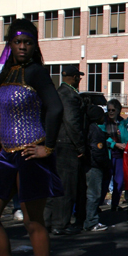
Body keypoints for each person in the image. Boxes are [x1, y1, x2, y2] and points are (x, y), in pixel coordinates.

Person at [0, 18, 64, 256]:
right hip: (5, 155)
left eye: (28, 42)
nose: (23, 46)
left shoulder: (37, 73)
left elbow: (55, 109)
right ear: (10, 44)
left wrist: (47, 148)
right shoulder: (4, 75)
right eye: (18, 42)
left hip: (31, 153)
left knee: (32, 222)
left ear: (34, 44)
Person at [45, 65, 87, 235]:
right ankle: (60, 224)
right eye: (79, 77)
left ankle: (46, 221)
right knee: (66, 187)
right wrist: (80, 145)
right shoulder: (69, 95)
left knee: (54, 186)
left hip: (56, 143)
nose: (80, 80)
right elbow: (72, 122)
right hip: (67, 145)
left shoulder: (57, 93)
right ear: (75, 77)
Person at [84, 105, 110, 231]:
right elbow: (97, 151)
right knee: (94, 194)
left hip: (90, 164)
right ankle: (91, 221)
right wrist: (104, 163)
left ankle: (85, 219)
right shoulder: (95, 131)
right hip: (95, 166)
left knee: (90, 194)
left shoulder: (89, 129)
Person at [100, 99, 128, 212]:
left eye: (113, 110)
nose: (110, 112)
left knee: (119, 181)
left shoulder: (123, 122)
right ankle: (99, 204)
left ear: (118, 110)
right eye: (109, 110)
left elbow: (127, 136)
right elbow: (101, 137)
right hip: (108, 153)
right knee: (105, 181)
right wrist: (114, 144)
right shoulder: (104, 121)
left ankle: (115, 204)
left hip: (120, 155)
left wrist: (125, 144)